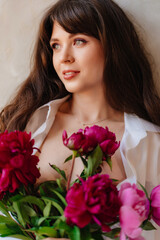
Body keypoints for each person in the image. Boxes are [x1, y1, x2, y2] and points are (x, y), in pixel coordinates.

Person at [0, 0, 160, 239]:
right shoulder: (25, 122)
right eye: (55, 45)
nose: (63, 57)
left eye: (78, 41)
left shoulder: (149, 142)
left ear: (112, 46)